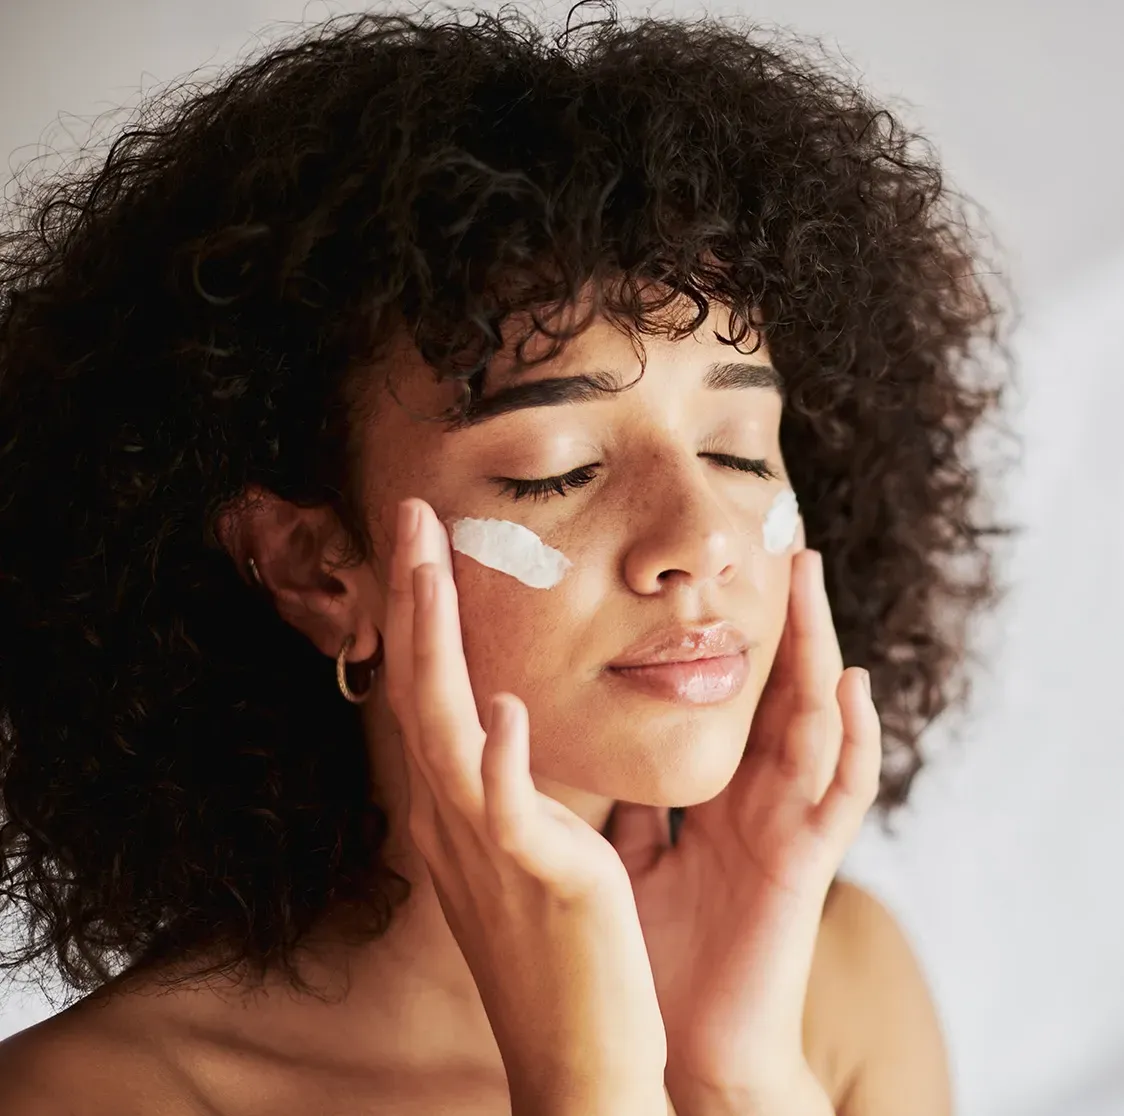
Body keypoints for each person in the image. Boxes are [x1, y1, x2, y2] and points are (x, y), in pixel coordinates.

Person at [0, 4, 1010, 1113]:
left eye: (735, 449)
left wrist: (735, 1071)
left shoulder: (835, 989)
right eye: (556, 471)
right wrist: (589, 1085)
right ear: (315, 570)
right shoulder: (96, 1096)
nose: (702, 541)